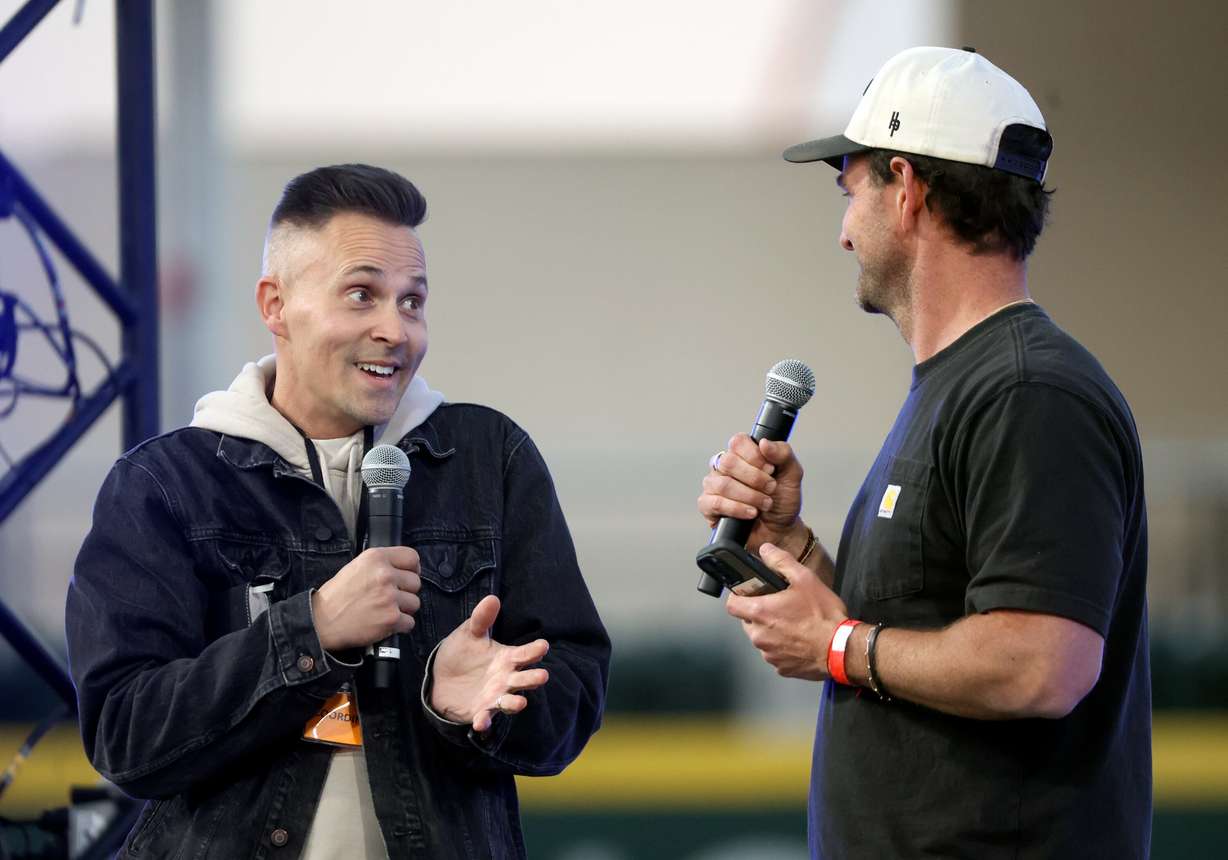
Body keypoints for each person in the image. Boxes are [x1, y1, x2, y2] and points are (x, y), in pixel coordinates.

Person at [66, 164, 610, 859]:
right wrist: (311, 629)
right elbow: (125, 733)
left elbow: (574, 689)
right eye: (362, 295)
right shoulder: (168, 484)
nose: (395, 329)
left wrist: (474, 710)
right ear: (276, 305)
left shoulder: (488, 459)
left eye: (412, 302)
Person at [698, 47, 1149, 858]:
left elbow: (1042, 662)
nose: (842, 233)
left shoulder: (1027, 392)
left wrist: (833, 646)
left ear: (904, 189)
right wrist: (791, 550)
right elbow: (924, 634)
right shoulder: (971, 385)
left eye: (850, 192)